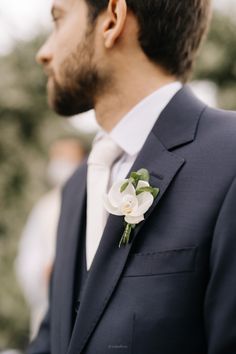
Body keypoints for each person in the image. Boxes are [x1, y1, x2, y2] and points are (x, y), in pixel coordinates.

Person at [27, 0, 236, 353]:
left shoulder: (230, 157)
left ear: (112, 19)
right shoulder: (77, 187)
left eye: (58, 19)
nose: (43, 53)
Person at [15, 138, 84, 339]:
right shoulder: (44, 206)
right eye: (57, 158)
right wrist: (42, 274)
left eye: (67, 157)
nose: (60, 164)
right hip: (48, 306)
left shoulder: (94, 199)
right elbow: (27, 256)